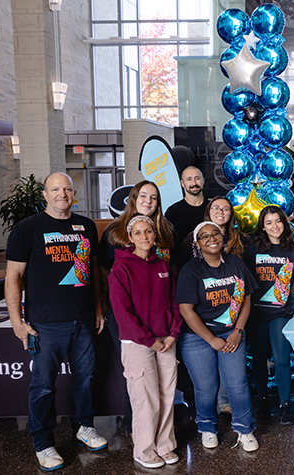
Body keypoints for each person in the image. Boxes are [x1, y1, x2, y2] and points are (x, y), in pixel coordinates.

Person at [5, 173, 108, 471]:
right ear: (45, 195)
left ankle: (84, 427)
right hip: (45, 324)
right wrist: (16, 321)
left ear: (74, 194)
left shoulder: (86, 226)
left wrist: (99, 307)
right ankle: (43, 442)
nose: (62, 194)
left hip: (84, 319)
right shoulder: (27, 228)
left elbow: (93, 272)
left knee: (86, 379)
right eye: (55, 189)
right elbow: (13, 277)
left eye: (67, 189)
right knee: (43, 386)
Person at [99, 180, 176, 435]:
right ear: (133, 198)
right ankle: (138, 430)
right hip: (127, 314)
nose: (148, 201)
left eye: (154, 197)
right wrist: (102, 306)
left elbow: (171, 272)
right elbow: (103, 272)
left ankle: (161, 432)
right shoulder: (114, 231)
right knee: (137, 373)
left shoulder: (165, 230)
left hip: (160, 313)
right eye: (143, 196)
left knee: (162, 378)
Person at [177, 222, 259, 451]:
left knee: (238, 384)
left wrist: (238, 331)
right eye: (205, 236)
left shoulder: (235, 263)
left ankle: (244, 429)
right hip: (197, 336)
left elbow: (246, 299)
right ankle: (207, 427)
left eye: (216, 234)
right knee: (206, 387)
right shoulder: (190, 270)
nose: (211, 238)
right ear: (198, 243)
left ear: (223, 237)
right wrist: (211, 340)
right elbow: (186, 310)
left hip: (231, 332)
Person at [108, 215, 182, 468]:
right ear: (130, 238)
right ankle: (144, 449)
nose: (144, 237)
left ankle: (165, 445)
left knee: (166, 395)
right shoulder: (121, 268)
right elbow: (122, 312)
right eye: (138, 233)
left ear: (154, 234)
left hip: (166, 340)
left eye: (148, 231)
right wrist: (149, 341)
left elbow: (174, 302)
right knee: (144, 398)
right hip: (139, 343)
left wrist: (173, 333)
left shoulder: (162, 264)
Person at [245, 205, 294, 425]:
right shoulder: (253, 248)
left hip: (280, 311)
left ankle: (284, 405)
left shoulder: (293, 248)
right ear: (262, 226)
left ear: (284, 222)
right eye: (268, 222)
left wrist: (287, 293)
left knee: (281, 359)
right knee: (259, 359)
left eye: (278, 221)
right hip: (257, 312)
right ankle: (262, 400)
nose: (274, 226)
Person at [200, 196, 248, 415]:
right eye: (216, 208)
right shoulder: (196, 239)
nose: (221, 211)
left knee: (232, 356)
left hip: (236, 309)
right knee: (209, 363)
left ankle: (227, 401)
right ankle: (212, 409)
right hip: (207, 310)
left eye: (226, 209)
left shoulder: (240, 240)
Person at [166, 166, 209, 267]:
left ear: (203, 181)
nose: (194, 183)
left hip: (211, 266)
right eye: (189, 179)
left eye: (197, 178)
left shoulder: (212, 209)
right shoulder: (173, 212)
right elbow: (170, 246)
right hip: (183, 267)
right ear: (182, 183)